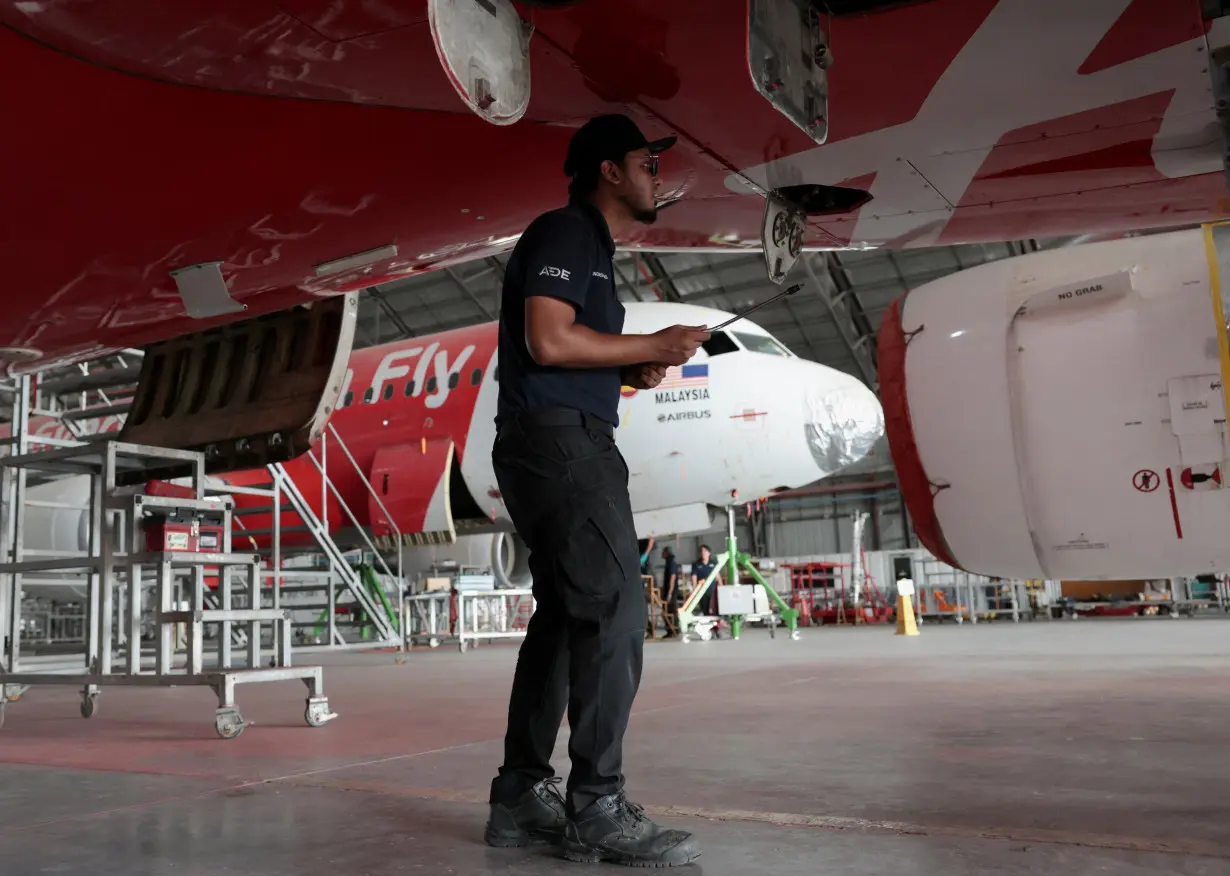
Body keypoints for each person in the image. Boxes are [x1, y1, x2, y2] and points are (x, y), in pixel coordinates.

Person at [482, 113, 709, 868]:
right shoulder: (568, 233)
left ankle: (519, 795)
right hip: (561, 446)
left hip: (549, 442)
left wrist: (625, 369)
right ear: (608, 170)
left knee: (563, 618)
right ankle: (598, 806)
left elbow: (565, 350)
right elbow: (547, 338)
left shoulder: (593, 253)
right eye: (647, 161)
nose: (657, 174)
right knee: (614, 611)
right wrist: (651, 345)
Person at [691, 544, 721, 616]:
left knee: (714, 608)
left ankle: (715, 624)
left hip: (712, 590)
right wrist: (695, 590)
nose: (703, 553)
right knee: (704, 608)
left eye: (705, 551)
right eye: (701, 551)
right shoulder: (696, 564)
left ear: (709, 553)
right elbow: (694, 577)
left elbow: (718, 577)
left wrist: (721, 587)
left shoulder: (713, 564)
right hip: (702, 591)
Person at [660, 546, 679, 638]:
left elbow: (672, 577)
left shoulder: (671, 562)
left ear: (666, 552)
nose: (661, 554)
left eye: (663, 552)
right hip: (669, 590)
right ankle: (671, 630)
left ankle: (673, 630)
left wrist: (670, 592)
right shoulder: (669, 562)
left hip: (671, 591)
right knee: (667, 611)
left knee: (669, 611)